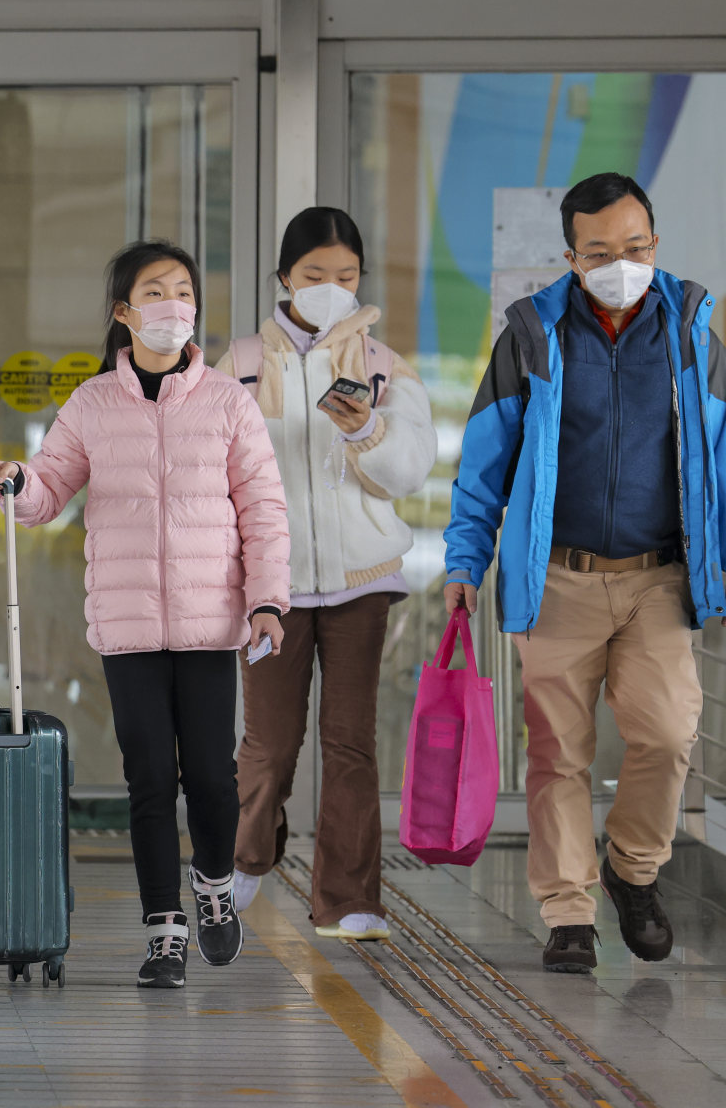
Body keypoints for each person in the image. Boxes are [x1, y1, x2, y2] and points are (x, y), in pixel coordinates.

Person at [0, 240, 289, 990]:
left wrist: (268, 599)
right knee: (147, 776)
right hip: (128, 621)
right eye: (156, 291)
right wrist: (15, 481)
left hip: (210, 622)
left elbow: (264, 509)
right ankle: (164, 931)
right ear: (123, 312)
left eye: (183, 291)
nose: (174, 304)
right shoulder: (92, 403)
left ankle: (211, 885)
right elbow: (47, 491)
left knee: (209, 773)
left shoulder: (228, 402)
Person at [444, 172, 721, 974]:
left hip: (658, 579)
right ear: (569, 255)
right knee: (557, 753)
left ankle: (632, 870)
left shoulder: (695, 331)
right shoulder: (531, 335)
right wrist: (466, 559)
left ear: (655, 243)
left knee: (668, 732)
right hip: (557, 576)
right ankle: (569, 910)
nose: (620, 263)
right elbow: (483, 463)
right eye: (600, 251)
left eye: (635, 247)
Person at [223, 208, 438, 940]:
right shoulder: (242, 362)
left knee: (350, 740)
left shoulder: (382, 365)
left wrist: (365, 430)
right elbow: (213, 468)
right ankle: (244, 857)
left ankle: (349, 899)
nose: (331, 288)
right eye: (315, 275)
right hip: (271, 589)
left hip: (361, 580)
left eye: (345, 277)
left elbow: (409, 470)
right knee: (270, 742)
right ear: (285, 277)